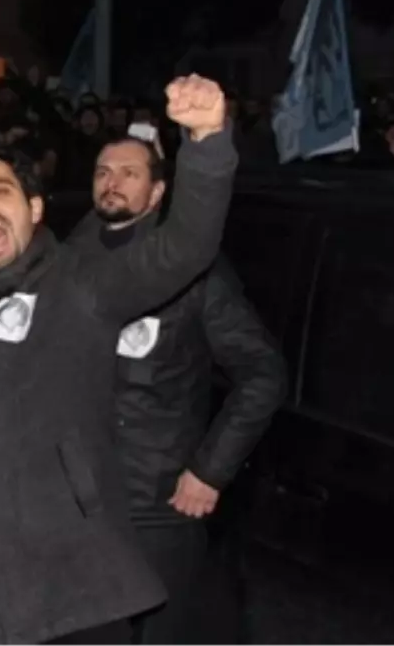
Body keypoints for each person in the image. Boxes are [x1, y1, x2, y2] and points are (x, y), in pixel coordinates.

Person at [0, 75, 238, 646]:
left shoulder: (83, 284)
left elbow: (185, 246)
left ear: (35, 208)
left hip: (78, 586)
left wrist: (208, 140)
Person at [65, 134, 287, 646]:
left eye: (128, 173)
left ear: (159, 190)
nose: (112, 183)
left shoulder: (191, 269)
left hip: (155, 508)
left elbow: (262, 371)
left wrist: (210, 469)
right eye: (102, 172)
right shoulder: (68, 261)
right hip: (76, 503)